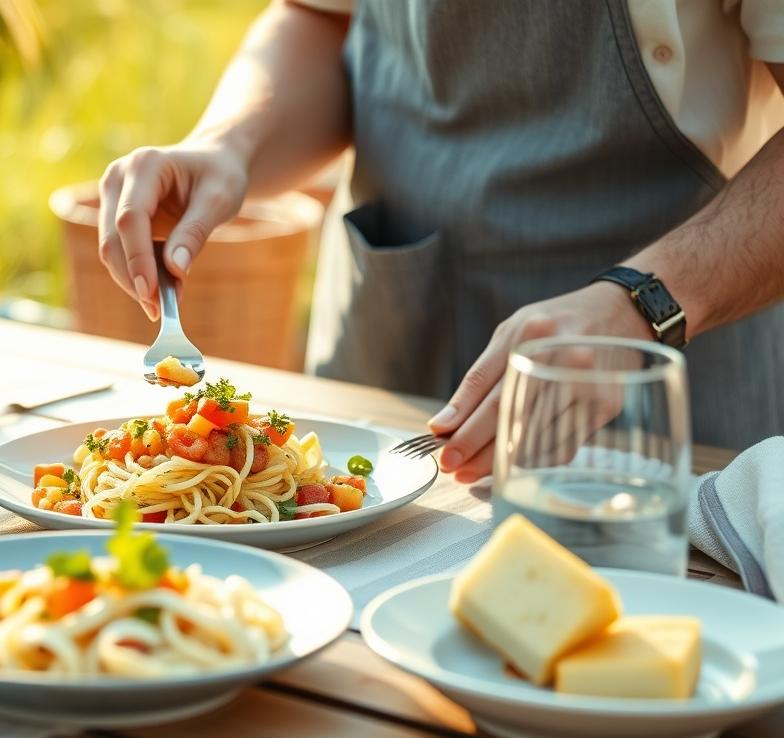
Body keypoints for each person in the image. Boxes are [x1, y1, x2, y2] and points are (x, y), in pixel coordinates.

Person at [97, 0, 784, 482]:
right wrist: (228, 146)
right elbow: (325, 17)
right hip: (385, 348)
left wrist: (643, 303)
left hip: (664, 401)